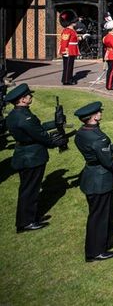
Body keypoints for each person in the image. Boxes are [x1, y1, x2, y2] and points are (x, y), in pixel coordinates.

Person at [74, 101, 113, 262]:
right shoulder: (98, 138)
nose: (101, 113)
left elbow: (102, 151)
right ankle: (96, 252)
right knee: (99, 217)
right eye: (99, 112)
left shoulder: (82, 133)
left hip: (90, 176)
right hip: (100, 180)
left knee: (97, 214)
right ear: (93, 116)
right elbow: (109, 162)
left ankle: (103, 243)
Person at [4, 83, 65, 232]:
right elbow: (41, 135)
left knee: (28, 188)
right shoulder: (25, 117)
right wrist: (54, 142)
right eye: (28, 95)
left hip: (23, 154)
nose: (31, 96)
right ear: (22, 100)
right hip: (32, 157)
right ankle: (26, 222)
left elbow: (37, 128)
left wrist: (55, 123)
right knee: (30, 190)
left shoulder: (15, 114)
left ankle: (29, 218)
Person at [59, 14, 79, 85]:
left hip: (72, 50)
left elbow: (74, 39)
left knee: (70, 66)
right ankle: (67, 80)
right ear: (70, 22)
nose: (75, 23)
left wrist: (82, 38)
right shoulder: (67, 30)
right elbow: (64, 41)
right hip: (69, 50)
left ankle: (67, 79)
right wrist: (65, 50)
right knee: (67, 66)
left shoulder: (71, 30)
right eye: (74, 21)